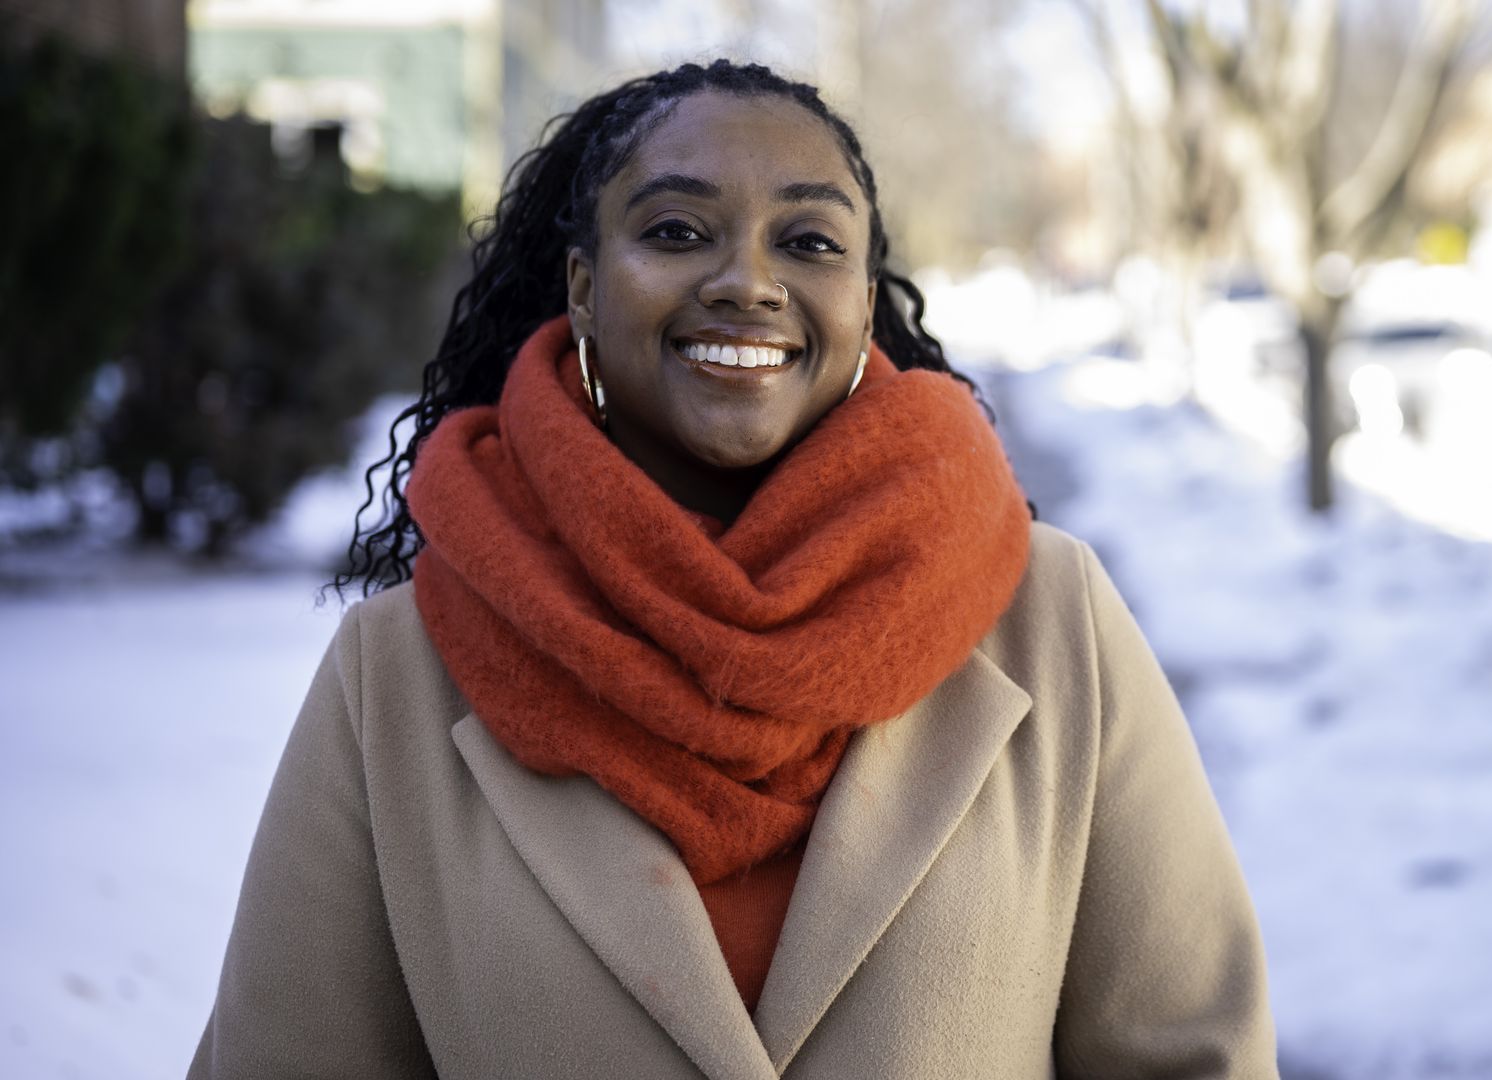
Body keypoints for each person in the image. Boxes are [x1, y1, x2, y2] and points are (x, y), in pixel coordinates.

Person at [189, 60, 1276, 1079]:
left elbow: (1193, 1053)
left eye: (808, 242)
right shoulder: (398, 672)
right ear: (582, 290)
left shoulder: (1052, 618)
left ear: (861, 302)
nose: (746, 281)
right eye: (676, 230)